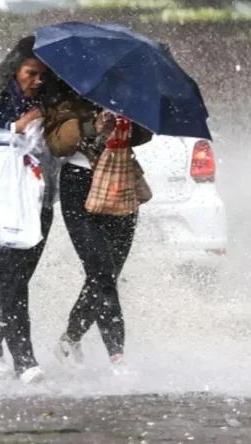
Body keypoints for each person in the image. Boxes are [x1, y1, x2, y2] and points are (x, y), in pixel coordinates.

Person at [0, 35, 58, 385]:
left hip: (37, 193)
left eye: (43, 76)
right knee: (9, 276)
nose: (37, 81)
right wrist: (17, 127)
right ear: (15, 68)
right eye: (31, 73)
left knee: (17, 277)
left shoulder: (50, 97)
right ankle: (25, 360)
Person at [42, 78, 152, 372]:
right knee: (100, 271)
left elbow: (146, 133)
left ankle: (70, 337)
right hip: (78, 185)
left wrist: (128, 121)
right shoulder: (64, 90)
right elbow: (57, 143)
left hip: (120, 179)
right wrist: (93, 126)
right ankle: (117, 356)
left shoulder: (128, 90)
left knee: (109, 273)